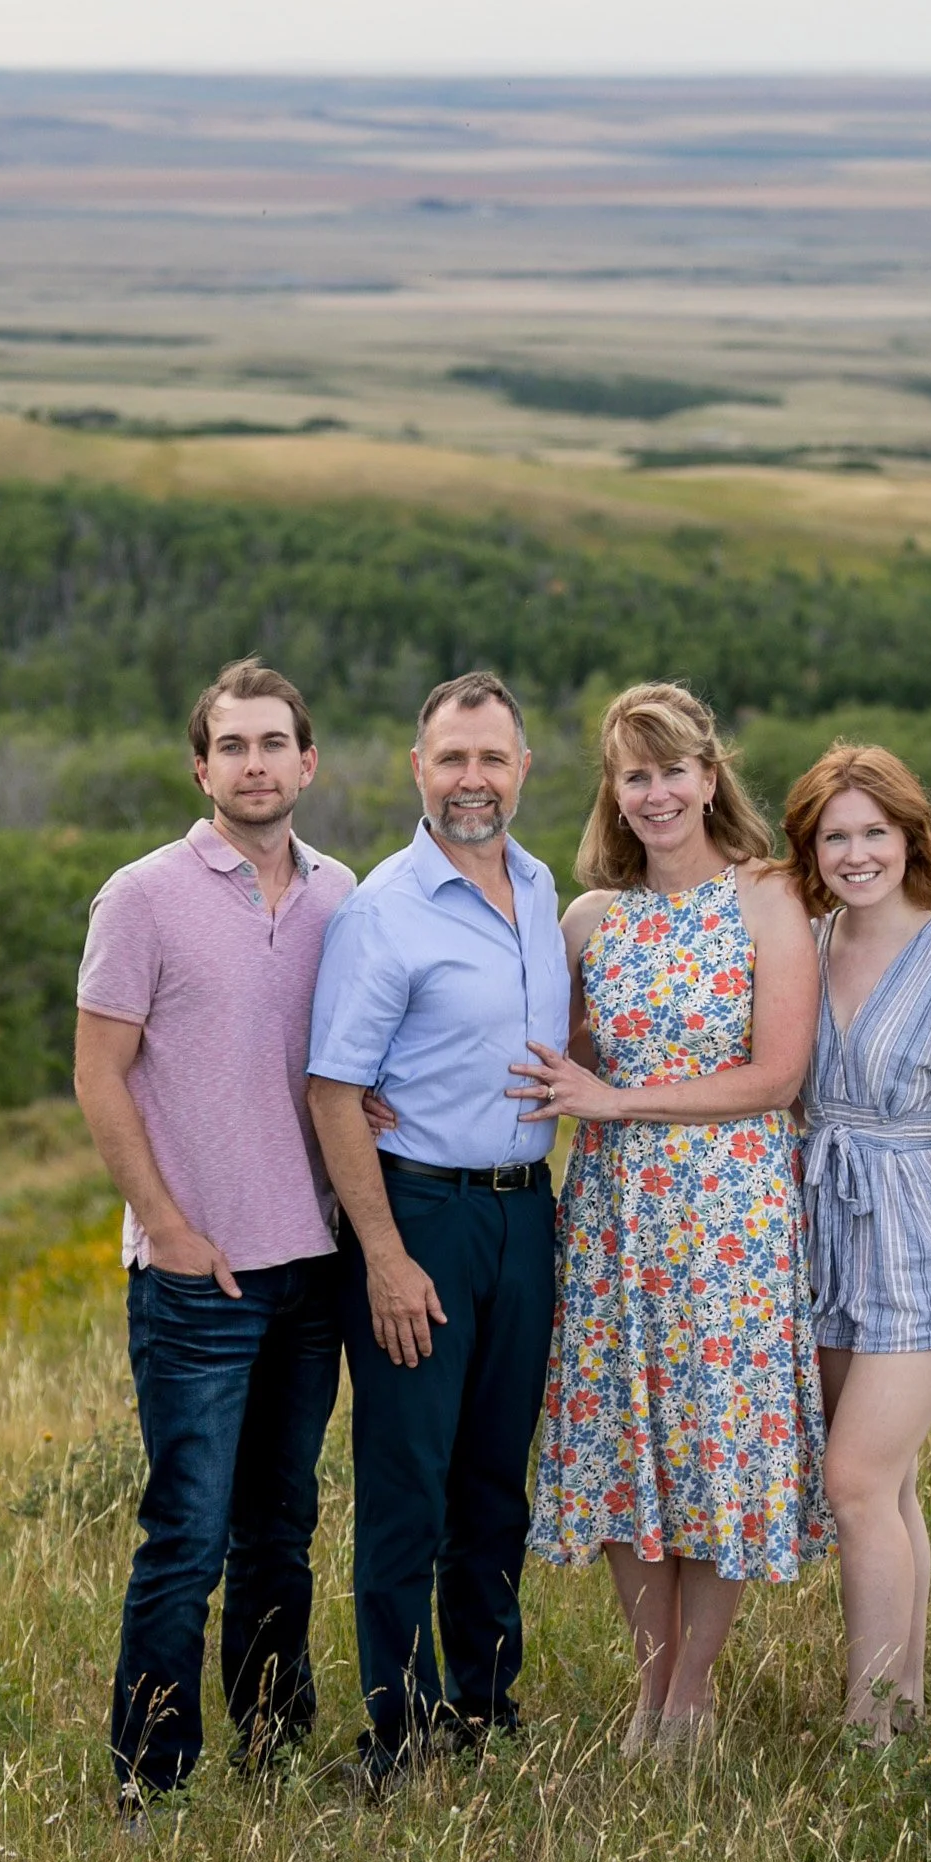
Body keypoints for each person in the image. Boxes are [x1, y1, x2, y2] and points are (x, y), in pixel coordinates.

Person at [514, 683, 826, 1759]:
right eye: (632, 774)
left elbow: (778, 1073)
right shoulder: (590, 919)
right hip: (612, 1221)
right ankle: (648, 1693)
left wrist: (618, 1102)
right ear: (614, 788)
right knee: (626, 1450)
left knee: (720, 1446)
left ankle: (693, 1693)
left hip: (730, 1222)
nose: (655, 793)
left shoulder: (767, 899)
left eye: (672, 770)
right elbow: (553, 1064)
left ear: (709, 773)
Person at [72, 658, 354, 1817]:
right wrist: (171, 1228)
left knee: (281, 1527)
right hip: (200, 1275)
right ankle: (151, 1780)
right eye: (231, 745)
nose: (253, 763)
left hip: (317, 1265)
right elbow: (98, 1074)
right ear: (203, 765)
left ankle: (275, 1748)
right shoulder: (141, 893)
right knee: (186, 1531)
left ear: (307, 761)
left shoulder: (345, 893)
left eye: (271, 742)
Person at [306, 671, 571, 1788]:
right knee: (409, 1480)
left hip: (527, 1213)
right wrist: (385, 1255)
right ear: (419, 768)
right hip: (422, 1212)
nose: (473, 778)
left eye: (493, 757)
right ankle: (396, 1734)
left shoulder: (543, 885)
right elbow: (333, 1089)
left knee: (494, 1481)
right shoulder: (384, 907)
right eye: (452, 758)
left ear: (523, 769)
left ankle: (484, 1705)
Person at [779, 740, 931, 1742]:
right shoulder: (808, 942)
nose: (857, 851)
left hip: (916, 1247)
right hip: (822, 1239)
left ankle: (868, 1733)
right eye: (837, 835)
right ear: (813, 848)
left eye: (876, 831)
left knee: (855, 1481)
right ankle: (904, 1706)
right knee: (893, 1484)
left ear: (910, 838)